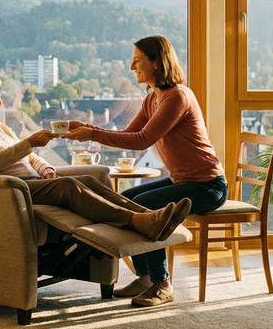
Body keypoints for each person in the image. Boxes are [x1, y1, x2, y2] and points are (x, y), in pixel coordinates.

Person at [64, 35, 227, 307]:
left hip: (208, 186)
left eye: (137, 61)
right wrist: (88, 130)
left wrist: (92, 133)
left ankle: (162, 284)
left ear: (157, 62)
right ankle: (145, 277)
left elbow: (141, 141)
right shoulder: (153, 98)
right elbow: (130, 134)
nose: (132, 67)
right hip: (183, 180)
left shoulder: (177, 97)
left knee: (145, 207)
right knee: (128, 201)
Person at [0, 72, 190, 244]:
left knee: (89, 180)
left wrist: (47, 170)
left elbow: (31, 158)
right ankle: (138, 221)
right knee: (68, 186)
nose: (0, 102)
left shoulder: (2, 129)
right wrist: (29, 142)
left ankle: (148, 217)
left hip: (31, 183)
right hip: (4, 191)